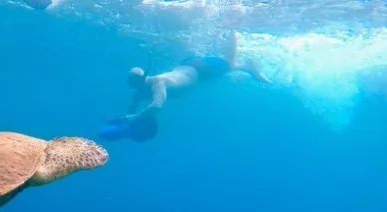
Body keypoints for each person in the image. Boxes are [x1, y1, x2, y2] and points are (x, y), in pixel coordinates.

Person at [99, 29, 272, 142]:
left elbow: (157, 106)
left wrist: (133, 118)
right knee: (225, 68)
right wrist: (121, 121)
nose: (133, 87)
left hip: (200, 69)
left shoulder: (158, 83)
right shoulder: (139, 92)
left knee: (230, 63)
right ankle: (242, 57)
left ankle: (238, 39)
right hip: (188, 66)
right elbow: (131, 109)